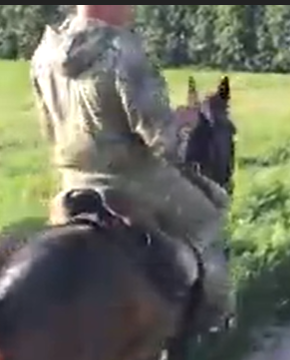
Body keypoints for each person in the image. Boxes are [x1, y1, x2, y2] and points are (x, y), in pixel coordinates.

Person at [30, 5, 235, 328]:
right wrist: (183, 122)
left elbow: (48, 130)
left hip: (72, 180)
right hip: (134, 178)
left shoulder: (44, 53)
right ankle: (214, 319)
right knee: (208, 219)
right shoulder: (124, 52)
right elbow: (163, 141)